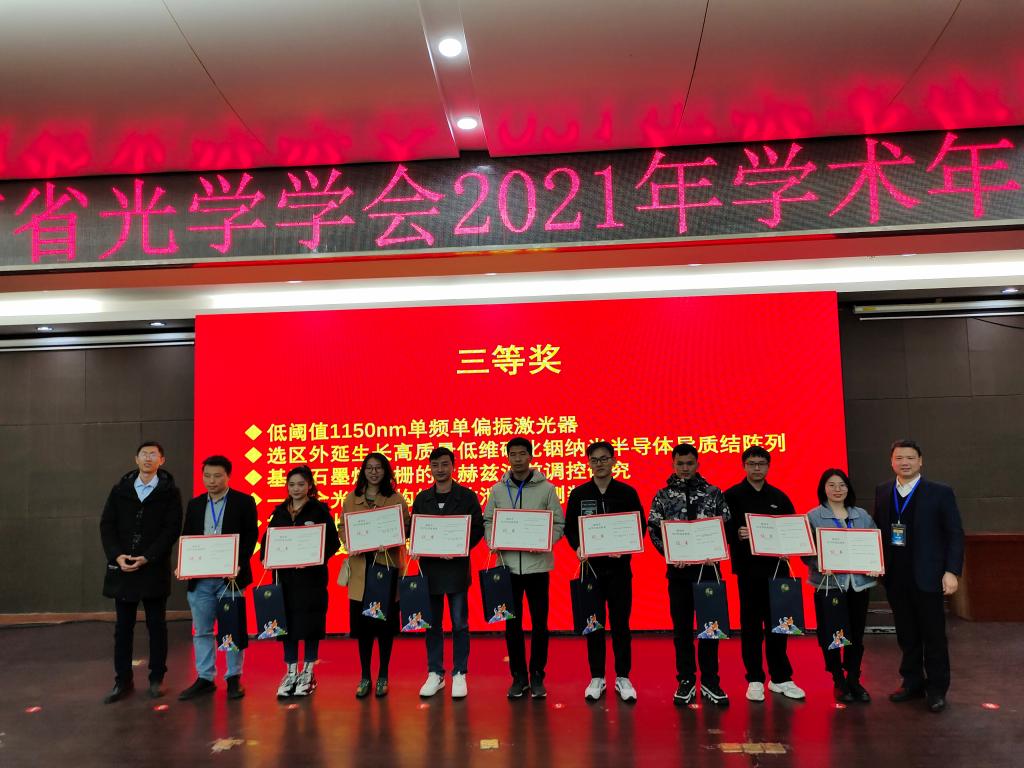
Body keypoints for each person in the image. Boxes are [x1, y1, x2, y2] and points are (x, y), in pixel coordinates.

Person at [874, 440, 964, 713]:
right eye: (899, 458)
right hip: (895, 577)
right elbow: (877, 531)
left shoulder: (940, 492)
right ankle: (912, 682)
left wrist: (952, 571)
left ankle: (936, 689)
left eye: (910, 458)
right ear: (891, 461)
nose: (905, 462)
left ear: (920, 461)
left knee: (933, 636)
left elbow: (955, 534)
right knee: (907, 634)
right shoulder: (883, 491)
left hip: (929, 576)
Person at [647, 443, 731, 706]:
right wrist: (671, 555)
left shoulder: (713, 493)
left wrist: (716, 551)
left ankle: (710, 680)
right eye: (680, 463)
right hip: (678, 574)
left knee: (710, 629)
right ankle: (685, 679)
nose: (685, 468)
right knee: (682, 629)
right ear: (673, 464)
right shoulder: (663, 495)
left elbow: (726, 526)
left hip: (709, 572)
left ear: (697, 464)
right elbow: (653, 529)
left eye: (689, 463)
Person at [99, 441, 183, 703]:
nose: (148, 458)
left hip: (153, 569)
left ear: (162, 460)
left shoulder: (170, 492)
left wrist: (148, 556)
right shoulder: (120, 490)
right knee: (123, 628)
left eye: (153, 455)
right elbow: (107, 525)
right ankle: (122, 680)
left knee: (156, 626)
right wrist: (117, 556)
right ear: (136, 459)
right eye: (144, 454)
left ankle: (156, 677)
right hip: (123, 568)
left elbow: (171, 529)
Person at [483, 437, 565, 699]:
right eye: (513, 454)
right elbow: (488, 520)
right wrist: (492, 541)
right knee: (512, 625)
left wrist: (545, 541)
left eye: (522, 454)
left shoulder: (547, 489)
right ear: (507, 457)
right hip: (507, 567)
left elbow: (559, 524)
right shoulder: (497, 490)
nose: (517, 459)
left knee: (540, 623)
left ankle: (537, 674)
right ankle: (518, 677)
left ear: (530, 456)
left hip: (537, 566)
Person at [564, 441, 645, 702]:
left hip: (620, 570)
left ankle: (623, 676)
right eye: (594, 460)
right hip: (591, 571)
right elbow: (570, 528)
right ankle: (597, 676)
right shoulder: (579, 493)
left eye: (604, 458)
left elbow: (640, 526)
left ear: (613, 460)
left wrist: (627, 548)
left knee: (621, 624)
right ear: (588, 463)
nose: (599, 464)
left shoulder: (626, 492)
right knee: (593, 625)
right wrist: (578, 547)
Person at [724, 446, 806, 702]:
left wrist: (791, 547)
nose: (757, 468)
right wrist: (736, 534)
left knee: (779, 626)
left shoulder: (779, 497)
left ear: (768, 467)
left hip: (777, 571)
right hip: (748, 571)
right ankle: (755, 678)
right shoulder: (732, 496)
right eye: (752, 463)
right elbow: (721, 530)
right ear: (744, 466)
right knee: (751, 626)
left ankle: (780, 678)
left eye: (761, 463)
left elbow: (793, 530)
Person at [177, 455, 259, 701]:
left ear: (228, 476)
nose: (211, 481)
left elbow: (250, 537)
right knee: (202, 630)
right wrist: (184, 564)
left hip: (230, 578)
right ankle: (205, 677)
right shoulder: (195, 504)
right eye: (207, 476)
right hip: (200, 579)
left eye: (217, 476)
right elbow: (187, 537)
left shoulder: (243, 501)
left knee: (232, 628)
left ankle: (233, 677)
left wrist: (238, 563)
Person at [411, 447, 485, 699]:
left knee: (459, 623)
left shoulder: (467, 497)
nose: (440, 469)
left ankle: (460, 672)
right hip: (430, 571)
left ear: (453, 466)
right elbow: (416, 529)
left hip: (456, 570)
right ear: (430, 468)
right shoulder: (422, 498)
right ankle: (435, 673)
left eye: (445, 464)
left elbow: (477, 528)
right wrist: (418, 546)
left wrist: (459, 547)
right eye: (435, 465)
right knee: (431, 624)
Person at [262, 465, 340, 699]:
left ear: (309, 486)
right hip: (285, 580)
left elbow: (333, 543)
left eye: (301, 484)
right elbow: (268, 540)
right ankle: (290, 672)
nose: (296, 489)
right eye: (292, 484)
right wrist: (267, 556)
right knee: (285, 625)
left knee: (311, 624)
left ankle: (308, 672)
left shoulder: (319, 510)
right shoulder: (279, 512)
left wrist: (313, 558)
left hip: (311, 580)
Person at [803, 468, 879, 703]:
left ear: (848, 488)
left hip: (858, 585)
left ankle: (854, 678)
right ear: (823, 489)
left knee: (856, 634)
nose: (837, 490)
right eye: (832, 485)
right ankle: (838, 679)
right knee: (832, 634)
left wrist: (874, 563)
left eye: (842, 485)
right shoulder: (813, 516)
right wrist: (820, 563)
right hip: (829, 585)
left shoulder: (861, 515)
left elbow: (874, 543)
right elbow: (806, 552)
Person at [341, 452, 411, 699]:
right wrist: (350, 542)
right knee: (363, 630)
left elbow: (406, 528)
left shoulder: (396, 499)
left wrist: (391, 539)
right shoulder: (352, 499)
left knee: (384, 629)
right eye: (369, 468)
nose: (373, 472)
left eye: (378, 468)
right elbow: (343, 527)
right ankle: (364, 676)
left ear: (386, 471)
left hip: (386, 570)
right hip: (361, 573)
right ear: (363, 471)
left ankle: (383, 675)